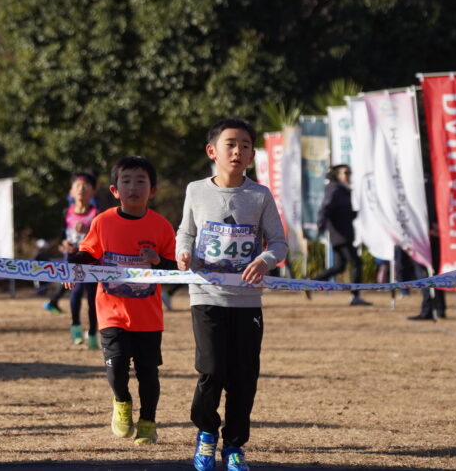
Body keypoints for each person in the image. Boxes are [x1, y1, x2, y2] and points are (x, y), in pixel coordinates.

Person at [176, 118, 288, 471]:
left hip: (246, 300)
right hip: (206, 296)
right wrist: (183, 252)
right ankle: (207, 432)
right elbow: (186, 232)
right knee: (211, 369)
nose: (237, 151)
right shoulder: (196, 190)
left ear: (252, 155)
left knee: (243, 376)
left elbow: (280, 243)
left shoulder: (260, 195)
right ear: (212, 151)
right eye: (230, 144)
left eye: (245, 145)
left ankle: (235, 445)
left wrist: (264, 260)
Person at [68, 156, 175, 445]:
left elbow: (177, 267)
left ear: (152, 190)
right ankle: (122, 402)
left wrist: (158, 260)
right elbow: (88, 253)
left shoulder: (161, 226)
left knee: (148, 373)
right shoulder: (103, 222)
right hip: (111, 311)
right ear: (115, 190)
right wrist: (73, 266)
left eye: (141, 181)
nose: (133, 187)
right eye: (126, 181)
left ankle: (148, 422)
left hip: (148, 316)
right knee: (116, 368)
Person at [46, 171, 100, 348]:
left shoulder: (97, 213)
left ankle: (93, 335)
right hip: (71, 261)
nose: (81, 189)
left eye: (86, 186)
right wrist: (64, 245)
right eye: (77, 186)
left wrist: (88, 231)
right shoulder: (66, 212)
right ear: (71, 191)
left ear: (93, 191)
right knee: (74, 293)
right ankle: (76, 329)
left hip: (91, 262)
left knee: (92, 299)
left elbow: (101, 237)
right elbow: (62, 237)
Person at [311, 164, 370, 306]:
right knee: (356, 262)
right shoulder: (335, 189)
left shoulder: (343, 190)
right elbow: (326, 207)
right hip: (340, 234)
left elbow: (342, 211)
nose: (349, 176)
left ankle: (311, 283)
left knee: (339, 266)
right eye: (346, 173)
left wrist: (356, 213)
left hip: (344, 233)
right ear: (337, 175)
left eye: (350, 173)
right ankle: (356, 296)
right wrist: (320, 224)